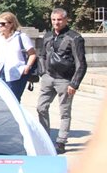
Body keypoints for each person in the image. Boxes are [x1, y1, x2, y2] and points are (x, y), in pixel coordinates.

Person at [36, 8, 87, 154]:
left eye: (59, 20)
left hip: (65, 80)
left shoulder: (75, 38)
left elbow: (81, 63)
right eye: (53, 20)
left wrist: (74, 83)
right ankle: (44, 138)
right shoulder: (47, 36)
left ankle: (61, 141)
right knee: (41, 107)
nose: (56, 23)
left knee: (64, 112)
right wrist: (42, 73)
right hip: (48, 78)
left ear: (66, 20)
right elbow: (42, 55)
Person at [0, 12, 37, 102]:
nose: (0, 26)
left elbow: (32, 54)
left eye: (3, 24)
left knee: (14, 100)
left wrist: (27, 67)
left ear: (11, 24)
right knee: (2, 100)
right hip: (1, 71)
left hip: (17, 73)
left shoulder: (21, 37)